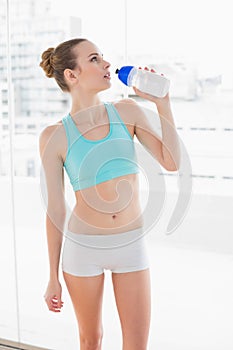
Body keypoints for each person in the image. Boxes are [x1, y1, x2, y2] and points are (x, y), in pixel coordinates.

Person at [39, 38, 180, 350]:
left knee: (136, 343)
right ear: (71, 75)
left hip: (130, 243)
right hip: (82, 248)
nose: (106, 64)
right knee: (91, 340)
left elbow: (171, 161)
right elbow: (55, 211)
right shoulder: (54, 136)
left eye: (102, 57)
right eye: (94, 59)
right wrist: (52, 276)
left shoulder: (127, 112)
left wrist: (163, 102)